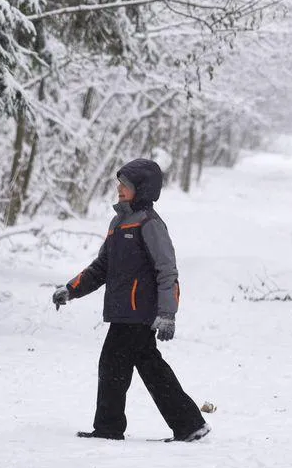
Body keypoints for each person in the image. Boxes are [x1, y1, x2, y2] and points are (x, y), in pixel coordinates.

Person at [52, 158, 210, 442]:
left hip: (140, 314)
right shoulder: (118, 223)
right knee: (149, 368)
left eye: (126, 185)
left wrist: (167, 314)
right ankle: (188, 424)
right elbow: (102, 266)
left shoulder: (150, 224)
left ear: (143, 189)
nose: (119, 188)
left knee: (114, 366)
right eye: (119, 184)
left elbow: (167, 271)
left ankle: (110, 428)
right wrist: (71, 289)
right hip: (124, 313)